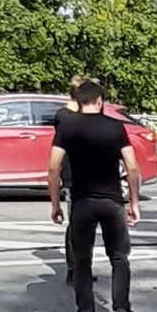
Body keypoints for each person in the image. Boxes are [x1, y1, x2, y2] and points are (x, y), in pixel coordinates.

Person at [48, 79, 140, 312]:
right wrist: (133, 202)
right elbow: (131, 166)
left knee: (82, 260)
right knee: (119, 257)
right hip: (112, 201)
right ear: (100, 101)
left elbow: (54, 166)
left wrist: (55, 204)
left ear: (78, 101)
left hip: (82, 202)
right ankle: (122, 306)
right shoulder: (116, 127)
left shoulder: (67, 126)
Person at [53, 75, 85, 286]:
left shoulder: (76, 115)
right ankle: (75, 269)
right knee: (76, 225)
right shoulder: (65, 116)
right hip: (74, 176)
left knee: (84, 225)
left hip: (86, 176)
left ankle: (82, 267)